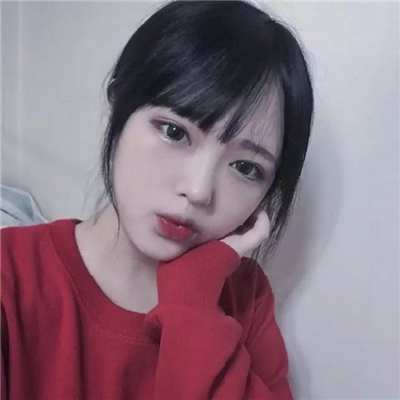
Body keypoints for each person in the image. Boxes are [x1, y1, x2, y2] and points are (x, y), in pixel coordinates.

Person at [1, 0, 314, 398]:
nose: (198, 191)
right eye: (174, 132)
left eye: (245, 167)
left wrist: (193, 304)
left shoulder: (245, 296)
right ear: (118, 105)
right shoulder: (11, 274)